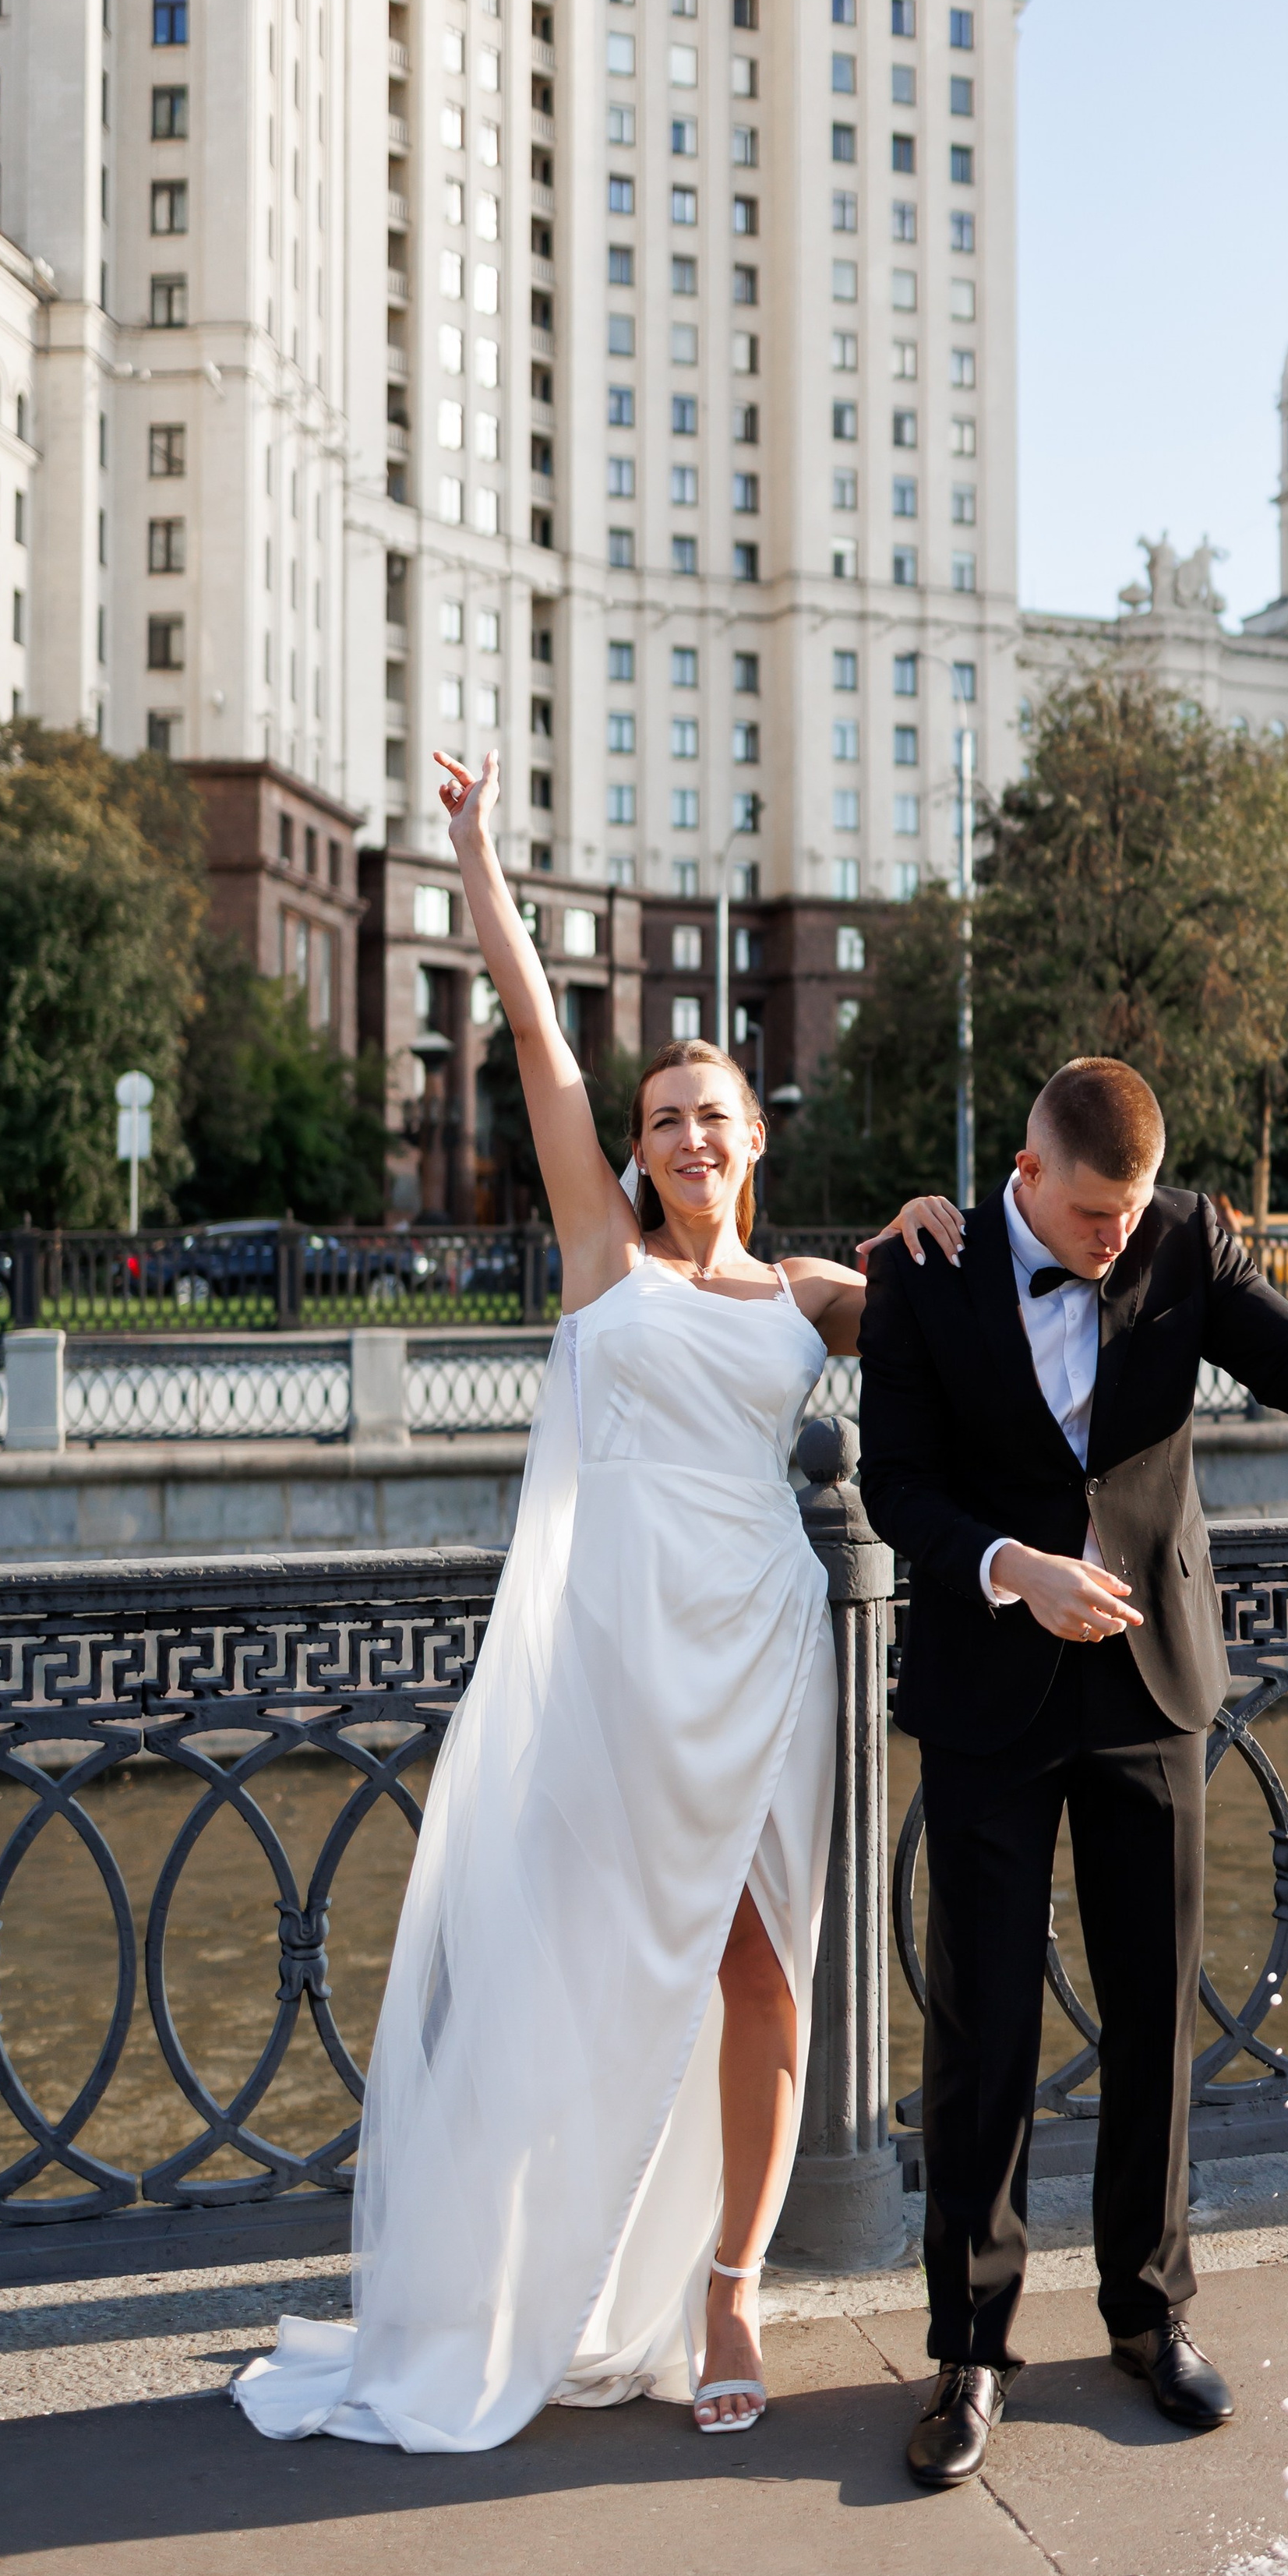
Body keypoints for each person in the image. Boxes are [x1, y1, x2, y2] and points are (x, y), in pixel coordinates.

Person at [233, 748, 955, 2452]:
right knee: (559, 1970)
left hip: (766, 1655)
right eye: (662, 1120)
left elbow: (976, 1314)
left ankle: (728, 2286)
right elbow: (533, 1028)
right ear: (633, 1151)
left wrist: (950, 1223)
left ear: (758, 1139)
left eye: (715, 1116)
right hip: (616, 1669)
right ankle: (512, 2279)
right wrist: (477, 850)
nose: (687, 1137)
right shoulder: (601, 1260)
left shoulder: (807, 1293)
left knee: (764, 1980)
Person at [856, 1058, 1288, 2491]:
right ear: (1026, 1169)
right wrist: (1012, 1572)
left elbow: (1284, 1348)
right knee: (984, 2034)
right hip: (992, 1687)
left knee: (1152, 2017)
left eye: (1131, 1212)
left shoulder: (1184, 1234)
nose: (1116, 1239)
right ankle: (971, 2349)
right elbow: (898, 1487)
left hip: (1151, 1683)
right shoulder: (922, 1271)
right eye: (1091, 1214)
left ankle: (1148, 2311)